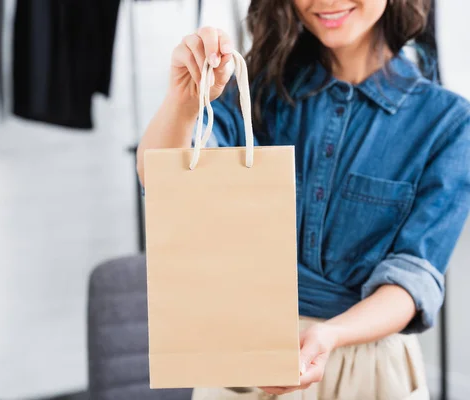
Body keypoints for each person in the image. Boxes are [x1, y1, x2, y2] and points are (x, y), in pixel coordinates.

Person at [136, 0, 470, 398]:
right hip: (247, 357)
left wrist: (329, 335)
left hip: (365, 371)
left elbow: (414, 277)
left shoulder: (447, 122)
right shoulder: (255, 91)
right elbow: (163, 183)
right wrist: (185, 102)